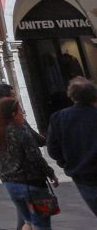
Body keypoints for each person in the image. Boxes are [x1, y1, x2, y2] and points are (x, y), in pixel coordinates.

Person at [0, 97, 62, 230]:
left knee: (28, 222)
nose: (23, 114)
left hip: (10, 183)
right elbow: (35, 158)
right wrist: (51, 173)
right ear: (14, 113)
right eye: (21, 111)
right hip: (31, 184)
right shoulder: (21, 131)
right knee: (41, 229)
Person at [46, 77, 97, 218]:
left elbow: (52, 148)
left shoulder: (59, 118)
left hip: (82, 175)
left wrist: (66, 162)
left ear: (72, 96)